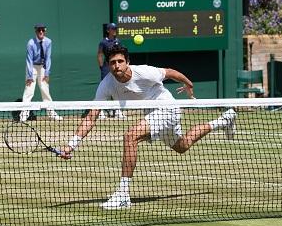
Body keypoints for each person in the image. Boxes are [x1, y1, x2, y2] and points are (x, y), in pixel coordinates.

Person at [61, 43, 237, 209]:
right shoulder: (106, 84)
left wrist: (188, 84)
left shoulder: (144, 72)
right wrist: (72, 145)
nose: (117, 66)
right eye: (113, 62)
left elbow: (169, 72)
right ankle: (224, 120)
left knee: (130, 137)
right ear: (108, 65)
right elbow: (92, 117)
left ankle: (123, 195)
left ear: (127, 62)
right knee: (182, 146)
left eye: (120, 61)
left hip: (167, 108)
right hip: (152, 115)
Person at [20, 24, 62, 121]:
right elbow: (29, 60)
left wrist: (47, 73)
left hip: (42, 67)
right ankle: (24, 115)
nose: (41, 32)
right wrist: (30, 75)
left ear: (45, 31)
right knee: (29, 90)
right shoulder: (31, 43)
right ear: (36, 31)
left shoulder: (48, 42)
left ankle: (51, 114)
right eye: (39, 30)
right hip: (32, 66)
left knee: (45, 89)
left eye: (43, 30)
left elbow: (48, 58)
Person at [97, 23, 124, 119]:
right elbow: (100, 54)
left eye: (115, 28)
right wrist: (101, 66)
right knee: (104, 88)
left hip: (116, 67)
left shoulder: (118, 41)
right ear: (108, 30)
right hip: (106, 67)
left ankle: (117, 111)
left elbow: (121, 54)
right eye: (113, 29)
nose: (115, 30)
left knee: (116, 88)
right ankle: (100, 112)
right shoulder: (103, 42)